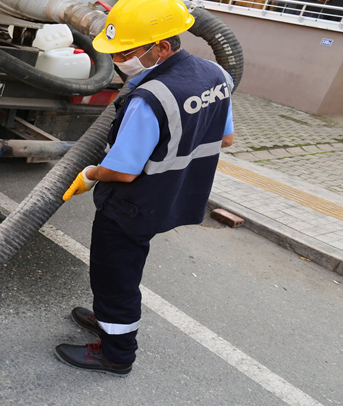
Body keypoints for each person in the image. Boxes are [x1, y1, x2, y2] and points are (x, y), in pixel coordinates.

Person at [54, 0, 235, 377]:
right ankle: (105, 318)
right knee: (122, 270)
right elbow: (227, 138)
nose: (119, 59)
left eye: (126, 51)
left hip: (132, 206)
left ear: (163, 48)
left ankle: (116, 353)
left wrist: (90, 174)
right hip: (176, 195)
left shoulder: (150, 99)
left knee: (115, 276)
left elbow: (122, 173)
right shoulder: (215, 74)